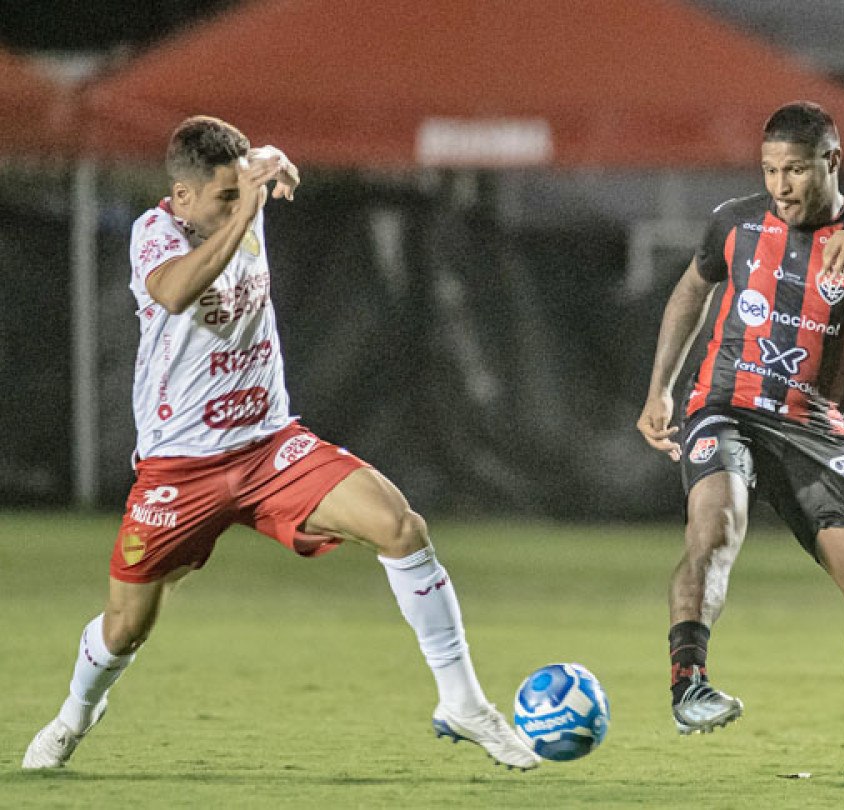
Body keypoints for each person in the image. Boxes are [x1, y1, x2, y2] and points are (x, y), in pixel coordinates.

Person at [23, 116, 537, 772]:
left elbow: (259, 157)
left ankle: (463, 703)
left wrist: (274, 163)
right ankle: (74, 716)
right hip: (179, 470)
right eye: (222, 200)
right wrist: (247, 210)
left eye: (241, 194)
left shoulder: (239, 184)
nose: (237, 207)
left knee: (401, 527)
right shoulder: (154, 234)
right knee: (125, 627)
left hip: (270, 448)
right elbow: (176, 292)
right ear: (183, 199)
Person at [636, 101, 844, 787]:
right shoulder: (735, 222)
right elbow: (691, 292)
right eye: (771, 169)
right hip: (724, 406)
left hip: (813, 428)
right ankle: (689, 684)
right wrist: (660, 388)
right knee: (715, 529)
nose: (780, 185)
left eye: (794, 170)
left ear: (833, 163)